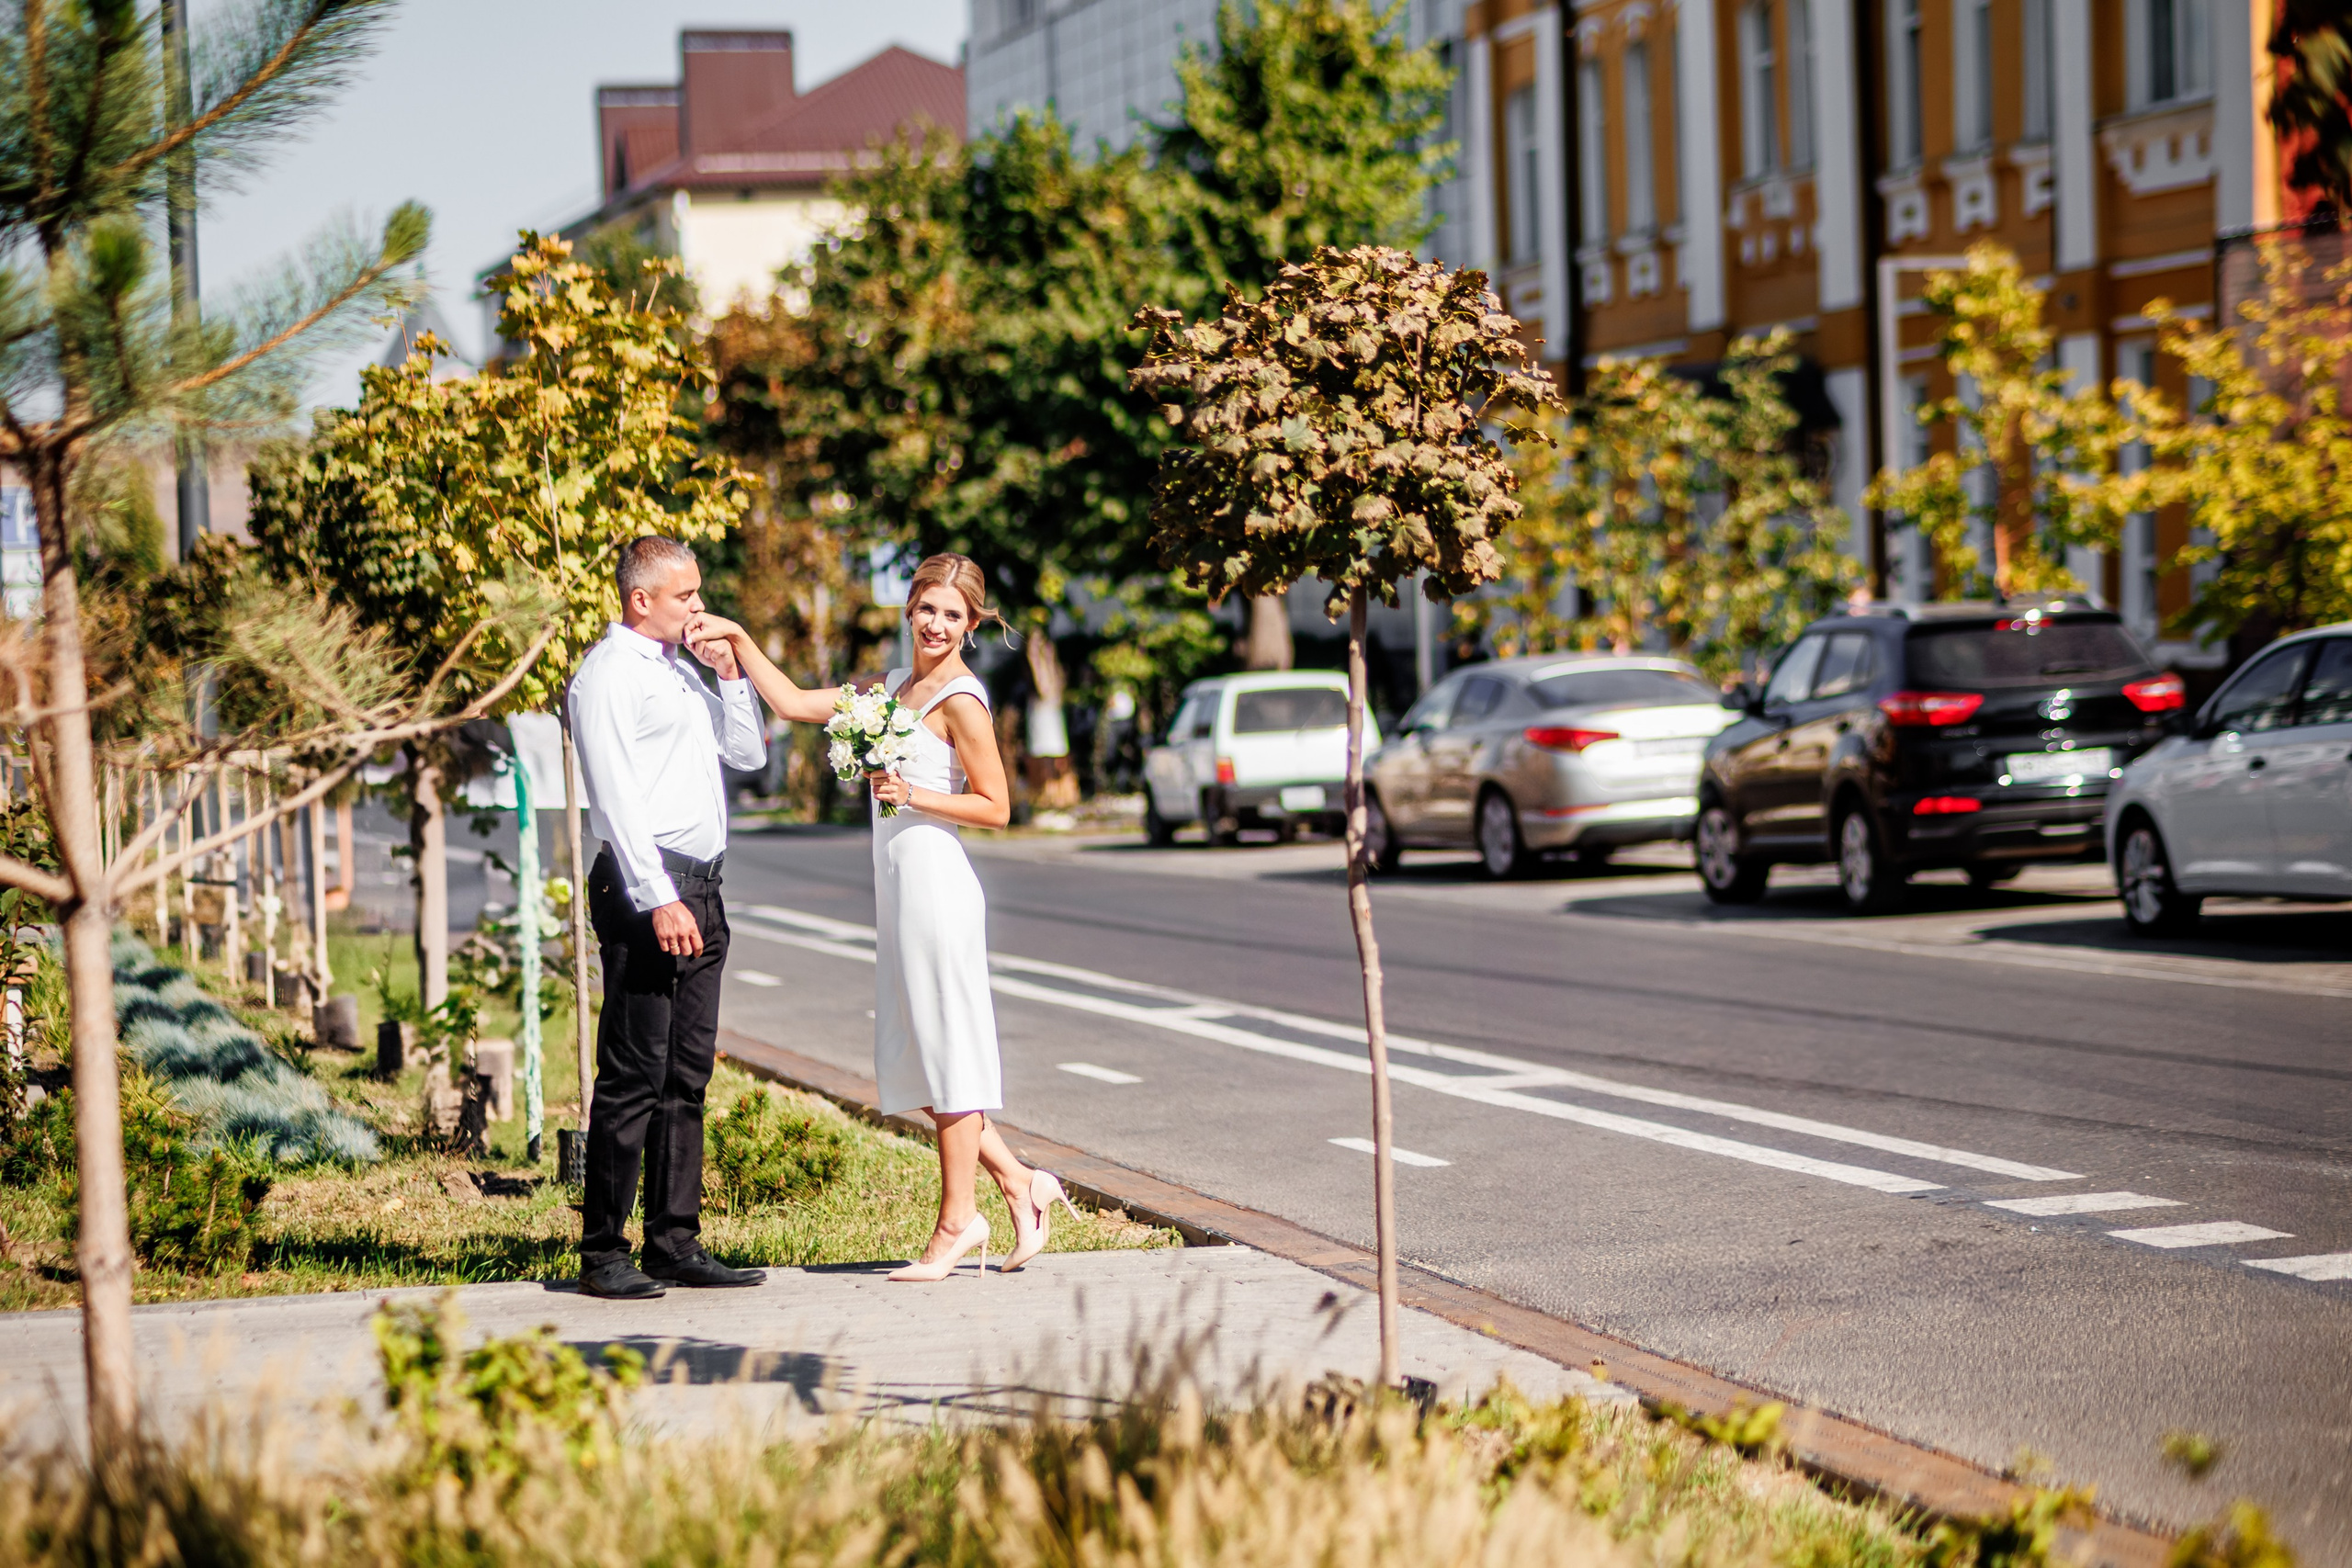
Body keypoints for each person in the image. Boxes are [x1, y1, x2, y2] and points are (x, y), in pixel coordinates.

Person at [693, 553, 1078, 1280]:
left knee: (949, 1055)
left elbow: (997, 806)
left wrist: (912, 793)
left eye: (953, 615)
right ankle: (1022, 1182)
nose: (937, 624)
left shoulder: (962, 700)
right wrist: (739, 637)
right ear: (909, 609)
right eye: (928, 608)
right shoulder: (889, 687)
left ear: (971, 622)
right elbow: (793, 703)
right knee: (919, 1057)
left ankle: (957, 1222)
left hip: (938, 888)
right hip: (899, 887)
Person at [566, 536, 769, 1300]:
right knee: (633, 1074)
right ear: (640, 599)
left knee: (687, 1074)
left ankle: (674, 1241)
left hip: (702, 889)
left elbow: (746, 754)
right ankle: (602, 1252)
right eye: (686, 595)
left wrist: (731, 675)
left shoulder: (679, 669)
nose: (699, 606)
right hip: (648, 889)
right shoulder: (608, 675)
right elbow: (615, 798)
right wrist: (660, 898)